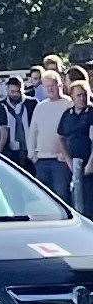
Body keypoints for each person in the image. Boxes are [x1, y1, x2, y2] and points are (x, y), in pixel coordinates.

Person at [28, 70, 73, 202]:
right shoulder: (40, 106)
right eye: (46, 86)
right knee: (44, 198)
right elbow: (33, 132)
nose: (50, 89)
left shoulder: (69, 104)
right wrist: (32, 155)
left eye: (53, 85)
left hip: (60, 161)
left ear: (60, 85)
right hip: (41, 160)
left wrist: (66, 155)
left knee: (62, 195)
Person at [58, 81, 93, 215]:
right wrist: (68, 160)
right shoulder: (67, 114)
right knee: (74, 201)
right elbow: (61, 137)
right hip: (72, 165)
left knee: (89, 204)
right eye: (78, 95)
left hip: (88, 166)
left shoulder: (91, 113)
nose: (82, 98)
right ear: (71, 96)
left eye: (84, 95)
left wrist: (90, 163)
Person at [2, 76, 37, 173]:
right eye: (12, 92)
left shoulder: (32, 104)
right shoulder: (1, 106)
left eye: (18, 91)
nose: (15, 95)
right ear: (7, 90)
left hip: (30, 150)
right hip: (10, 151)